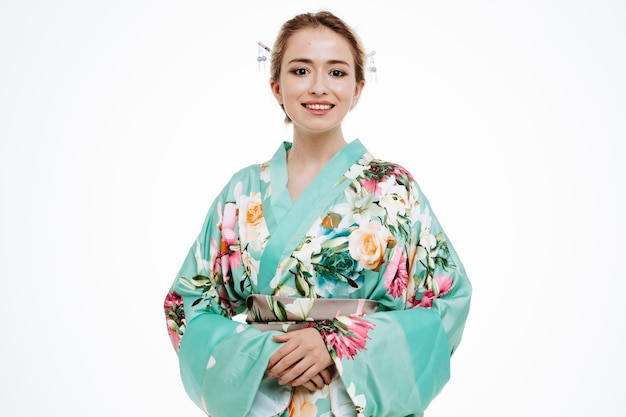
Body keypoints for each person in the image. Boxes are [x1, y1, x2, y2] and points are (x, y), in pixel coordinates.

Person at [163, 10, 471, 417]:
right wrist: (266, 353)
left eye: (337, 73)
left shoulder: (394, 189)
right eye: (301, 70)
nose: (319, 87)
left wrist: (336, 343)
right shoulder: (242, 192)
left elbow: (447, 302)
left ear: (359, 87)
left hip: (354, 403)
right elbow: (186, 304)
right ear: (276, 86)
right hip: (264, 399)